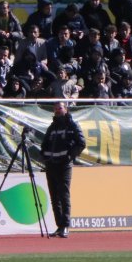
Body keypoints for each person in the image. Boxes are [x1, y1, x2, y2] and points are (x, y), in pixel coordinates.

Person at [39, 101, 85, 239]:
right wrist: (45, 157)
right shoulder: (52, 127)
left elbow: (81, 143)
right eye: (55, 109)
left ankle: (65, 225)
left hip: (64, 165)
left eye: (60, 108)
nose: (57, 110)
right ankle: (59, 226)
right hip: (51, 165)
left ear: (66, 109)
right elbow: (44, 144)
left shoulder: (72, 125)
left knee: (64, 195)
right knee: (54, 197)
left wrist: (70, 156)